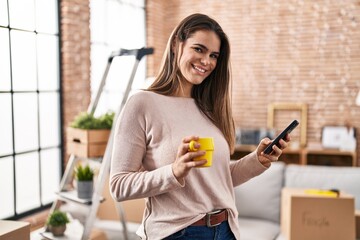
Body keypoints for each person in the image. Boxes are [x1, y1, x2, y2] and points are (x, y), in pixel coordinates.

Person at [110, 13, 290, 240]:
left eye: (214, 55)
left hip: (225, 229)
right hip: (178, 233)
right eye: (199, 49)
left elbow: (216, 180)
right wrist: (174, 171)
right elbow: (119, 185)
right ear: (177, 44)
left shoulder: (209, 108)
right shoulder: (143, 104)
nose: (207, 61)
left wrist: (257, 160)